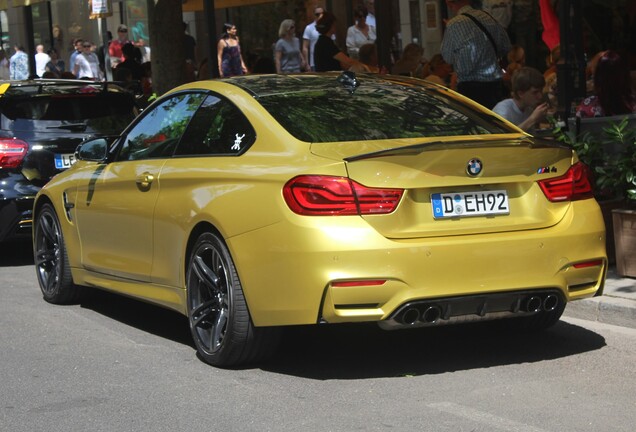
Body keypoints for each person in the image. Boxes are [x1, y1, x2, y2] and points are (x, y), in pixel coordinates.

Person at [441, 0, 511, 108]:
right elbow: (506, 46)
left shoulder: (453, 24)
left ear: (450, 4)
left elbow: (448, 57)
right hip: (494, 84)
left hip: (469, 87)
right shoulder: (488, 17)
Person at [576, 50, 636, 118]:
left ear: (597, 78)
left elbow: (576, 126)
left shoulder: (587, 106)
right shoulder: (632, 105)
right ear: (624, 77)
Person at [492, 67, 548, 132]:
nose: (540, 96)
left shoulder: (529, 109)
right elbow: (504, 138)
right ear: (520, 94)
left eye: (541, 91)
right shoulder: (503, 110)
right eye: (535, 92)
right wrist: (532, 119)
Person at [302, 5, 325, 71]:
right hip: (314, 62)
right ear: (314, 15)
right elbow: (305, 47)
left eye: (322, 14)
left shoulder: (328, 28)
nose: (320, 16)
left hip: (327, 61)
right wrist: (307, 63)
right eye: (317, 14)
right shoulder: (309, 28)